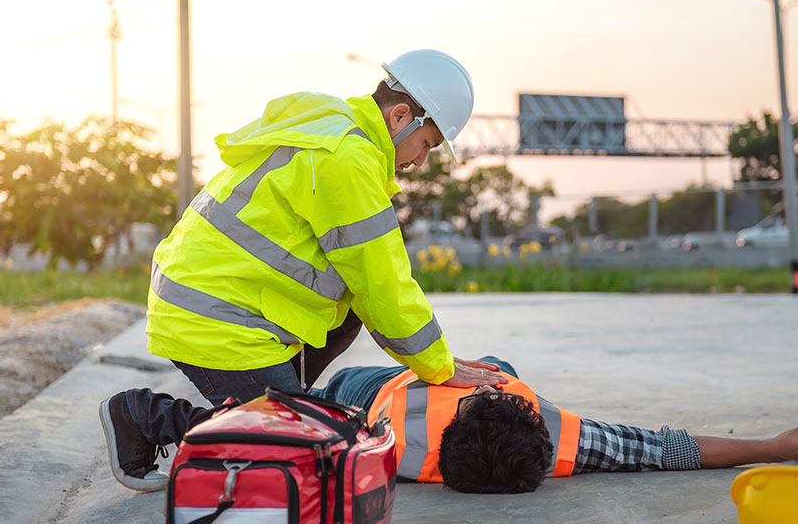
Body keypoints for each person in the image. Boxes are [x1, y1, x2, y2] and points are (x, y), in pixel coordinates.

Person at [112, 50, 508, 487]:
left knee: (347, 317)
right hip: (214, 320)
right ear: (400, 117)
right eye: (428, 145)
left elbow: (368, 290)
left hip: (212, 303)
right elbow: (385, 284)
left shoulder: (329, 126)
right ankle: (144, 417)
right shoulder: (346, 158)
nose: (420, 161)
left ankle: (283, 407)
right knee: (308, 454)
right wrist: (441, 367)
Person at [100, 357, 798, 494]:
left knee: (297, 417)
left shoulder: (381, 445)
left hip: (370, 391)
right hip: (383, 380)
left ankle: (148, 413)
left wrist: (774, 447)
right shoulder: (563, 441)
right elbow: (663, 449)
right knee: (293, 422)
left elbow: (665, 447)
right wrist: (768, 448)